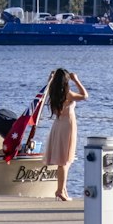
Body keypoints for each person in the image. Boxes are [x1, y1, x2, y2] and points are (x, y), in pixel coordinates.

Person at [43, 66, 88, 201]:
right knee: (65, 161)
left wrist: (50, 80)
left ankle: (63, 190)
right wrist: (76, 80)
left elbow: (46, 89)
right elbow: (85, 96)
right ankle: (59, 191)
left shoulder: (52, 91)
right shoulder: (67, 93)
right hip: (67, 126)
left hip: (58, 125)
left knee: (63, 160)